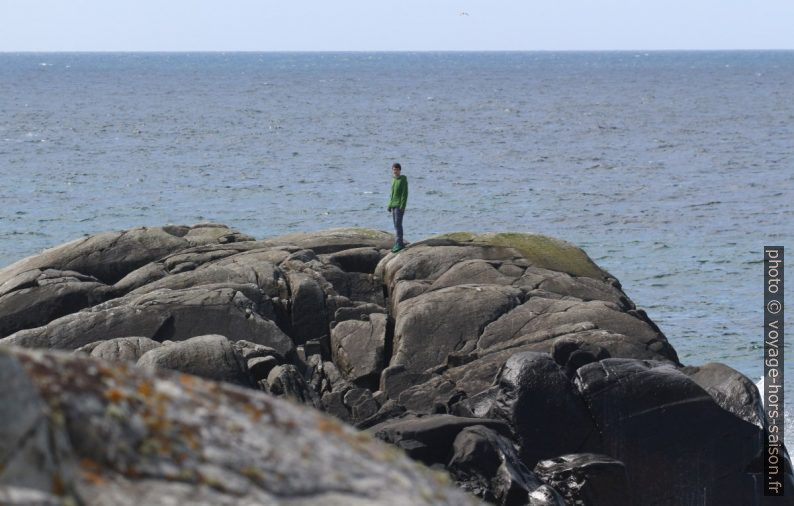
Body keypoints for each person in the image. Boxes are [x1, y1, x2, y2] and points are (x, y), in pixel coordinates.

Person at [387, 162, 408, 252]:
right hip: (393, 205)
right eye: (394, 169)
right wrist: (389, 205)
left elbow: (404, 194)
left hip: (399, 206)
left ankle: (399, 243)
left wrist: (402, 206)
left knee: (398, 224)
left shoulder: (403, 180)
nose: (395, 171)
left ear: (400, 170)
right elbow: (391, 194)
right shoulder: (393, 180)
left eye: (397, 169)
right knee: (396, 225)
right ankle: (398, 242)